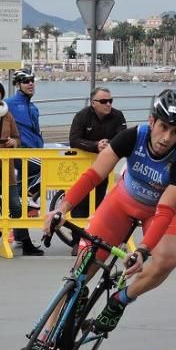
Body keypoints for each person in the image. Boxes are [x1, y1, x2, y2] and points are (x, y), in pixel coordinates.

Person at [42, 90, 176, 340]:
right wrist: (61, 209)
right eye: (163, 127)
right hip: (122, 202)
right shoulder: (133, 136)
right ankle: (46, 331)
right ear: (151, 121)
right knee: (83, 267)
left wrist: (142, 251)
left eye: (175, 132)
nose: (166, 138)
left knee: (169, 256)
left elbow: (166, 210)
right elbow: (94, 175)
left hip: (156, 212)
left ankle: (120, 300)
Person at [0, 79, 42, 256]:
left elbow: (17, 138)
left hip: (7, 168)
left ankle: (25, 242)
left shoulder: (7, 115)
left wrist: (13, 142)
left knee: (15, 204)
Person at [67, 87, 128, 254]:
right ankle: (77, 241)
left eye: (110, 101)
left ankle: (97, 239)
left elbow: (123, 137)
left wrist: (109, 145)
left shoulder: (118, 115)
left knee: (100, 203)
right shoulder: (82, 116)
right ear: (93, 103)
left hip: (104, 167)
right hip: (83, 166)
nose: (108, 104)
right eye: (103, 101)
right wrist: (95, 145)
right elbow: (74, 139)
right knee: (80, 203)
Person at [6, 69, 44, 209]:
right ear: (18, 85)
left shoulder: (34, 108)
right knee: (48, 166)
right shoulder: (9, 104)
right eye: (26, 81)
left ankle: (19, 202)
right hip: (20, 151)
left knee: (25, 184)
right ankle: (22, 197)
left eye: (32, 80)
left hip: (35, 152)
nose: (30, 84)